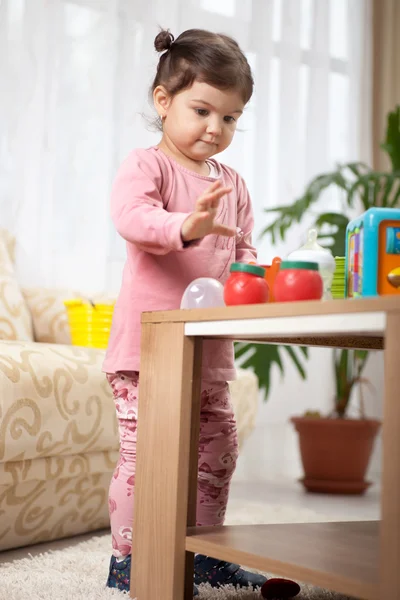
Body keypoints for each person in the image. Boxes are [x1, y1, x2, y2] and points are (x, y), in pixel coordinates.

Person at [103, 27, 265, 596]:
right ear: (164, 101)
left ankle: (203, 553)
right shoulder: (147, 166)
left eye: (231, 118)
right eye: (203, 110)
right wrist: (184, 227)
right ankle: (129, 559)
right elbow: (132, 218)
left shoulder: (233, 185)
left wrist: (257, 280)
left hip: (208, 354)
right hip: (145, 354)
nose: (216, 129)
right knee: (145, 458)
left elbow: (244, 255)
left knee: (218, 450)